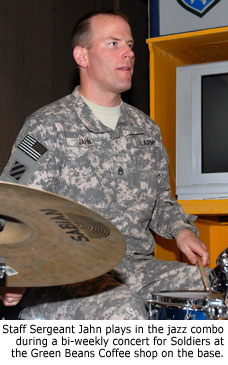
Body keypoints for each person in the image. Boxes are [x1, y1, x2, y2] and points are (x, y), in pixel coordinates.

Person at [0, 9, 209, 319]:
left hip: (137, 267)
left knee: (211, 292)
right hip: (65, 276)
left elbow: (161, 202)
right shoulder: (47, 127)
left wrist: (181, 231)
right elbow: (13, 208)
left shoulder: (146, 130)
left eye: (130, 44)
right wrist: (12, 274)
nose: (128, 53)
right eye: (113, 43)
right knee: (123, 311)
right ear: (81, 56)